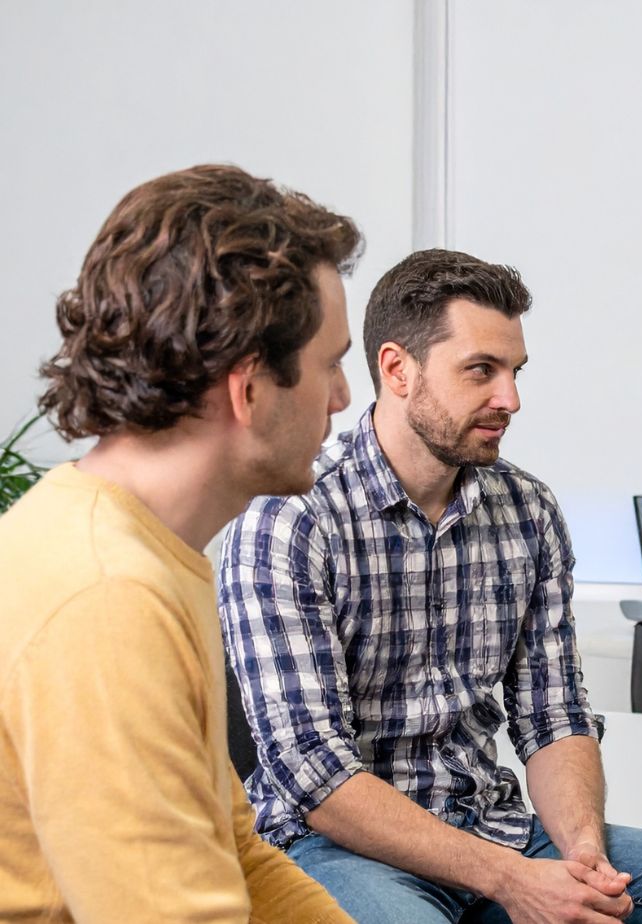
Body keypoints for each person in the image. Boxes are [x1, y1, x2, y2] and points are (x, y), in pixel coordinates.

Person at [218, 248, 642, 924]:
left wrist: (583, 855)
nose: (510, 399)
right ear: (397, 370)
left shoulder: (528, 509)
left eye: (515, 371)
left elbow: (554, 716)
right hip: (338, 848)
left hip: (492, 823)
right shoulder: (291, 516)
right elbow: (316, 772)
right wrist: (514, 882)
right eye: (481, 370)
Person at [0, 164, 359, 921]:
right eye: (330, 364)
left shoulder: (143, 550)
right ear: (248, 387)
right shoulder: (109, 597)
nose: (342, 397)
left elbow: (237, 851)